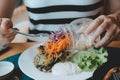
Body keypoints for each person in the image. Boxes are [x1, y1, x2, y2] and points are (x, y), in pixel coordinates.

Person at [0, 0, 120, 48]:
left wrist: (115, 18)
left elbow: (115, 13)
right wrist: (2, 31)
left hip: (90, 51)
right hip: (36, 53)